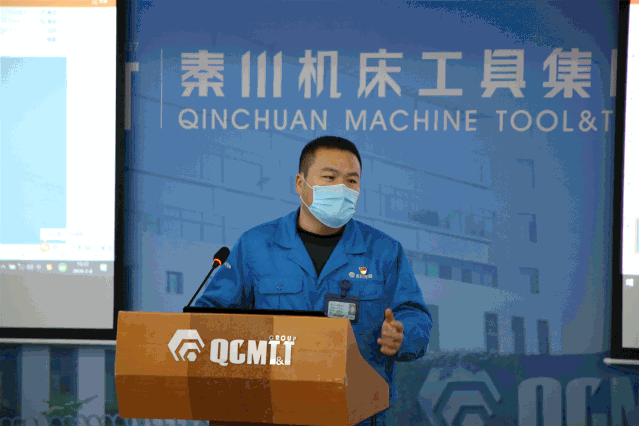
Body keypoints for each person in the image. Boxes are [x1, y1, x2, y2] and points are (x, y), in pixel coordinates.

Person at [195, 136, 433, 426]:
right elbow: (211, 314)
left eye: (351, 181)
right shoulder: (256, 245)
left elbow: (415, 314)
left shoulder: (384, 251)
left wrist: (403, 335)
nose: (342, 188)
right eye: (330, 177)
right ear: (300, 184)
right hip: (271, 410)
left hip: (355, 412)